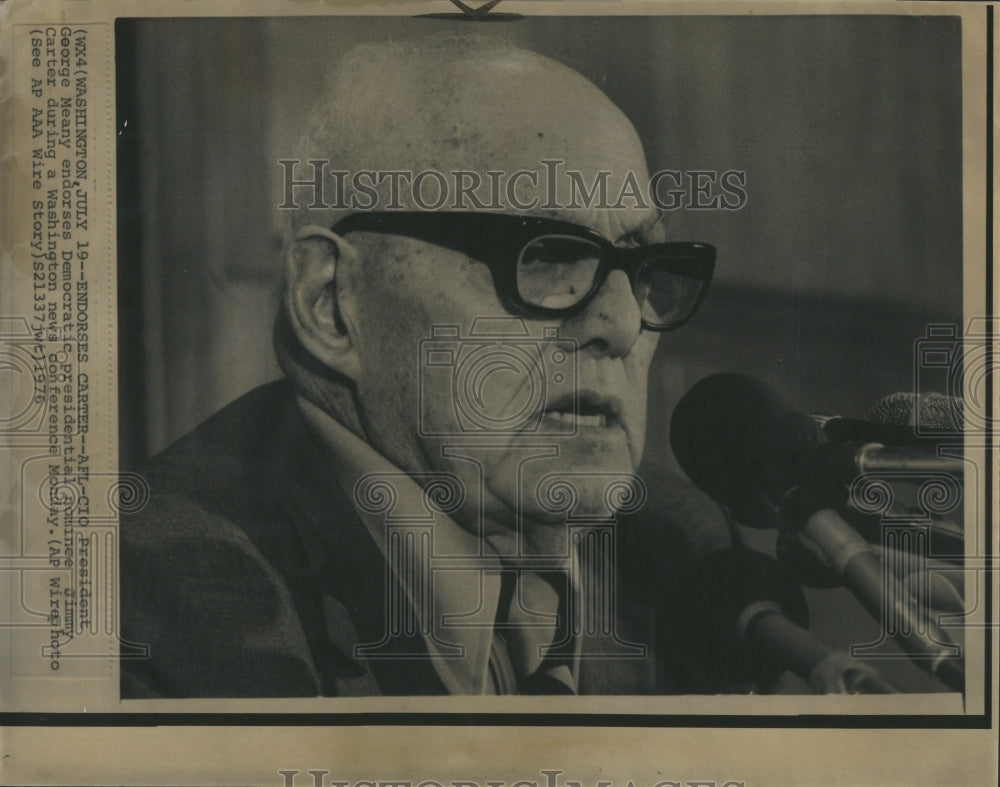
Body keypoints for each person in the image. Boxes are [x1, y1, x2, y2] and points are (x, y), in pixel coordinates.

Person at [120, 33, 734, 698]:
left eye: (644, 266)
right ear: (331, 304)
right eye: (545, 255)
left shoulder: (680, 549)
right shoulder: (141, 602)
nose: (620, 323)